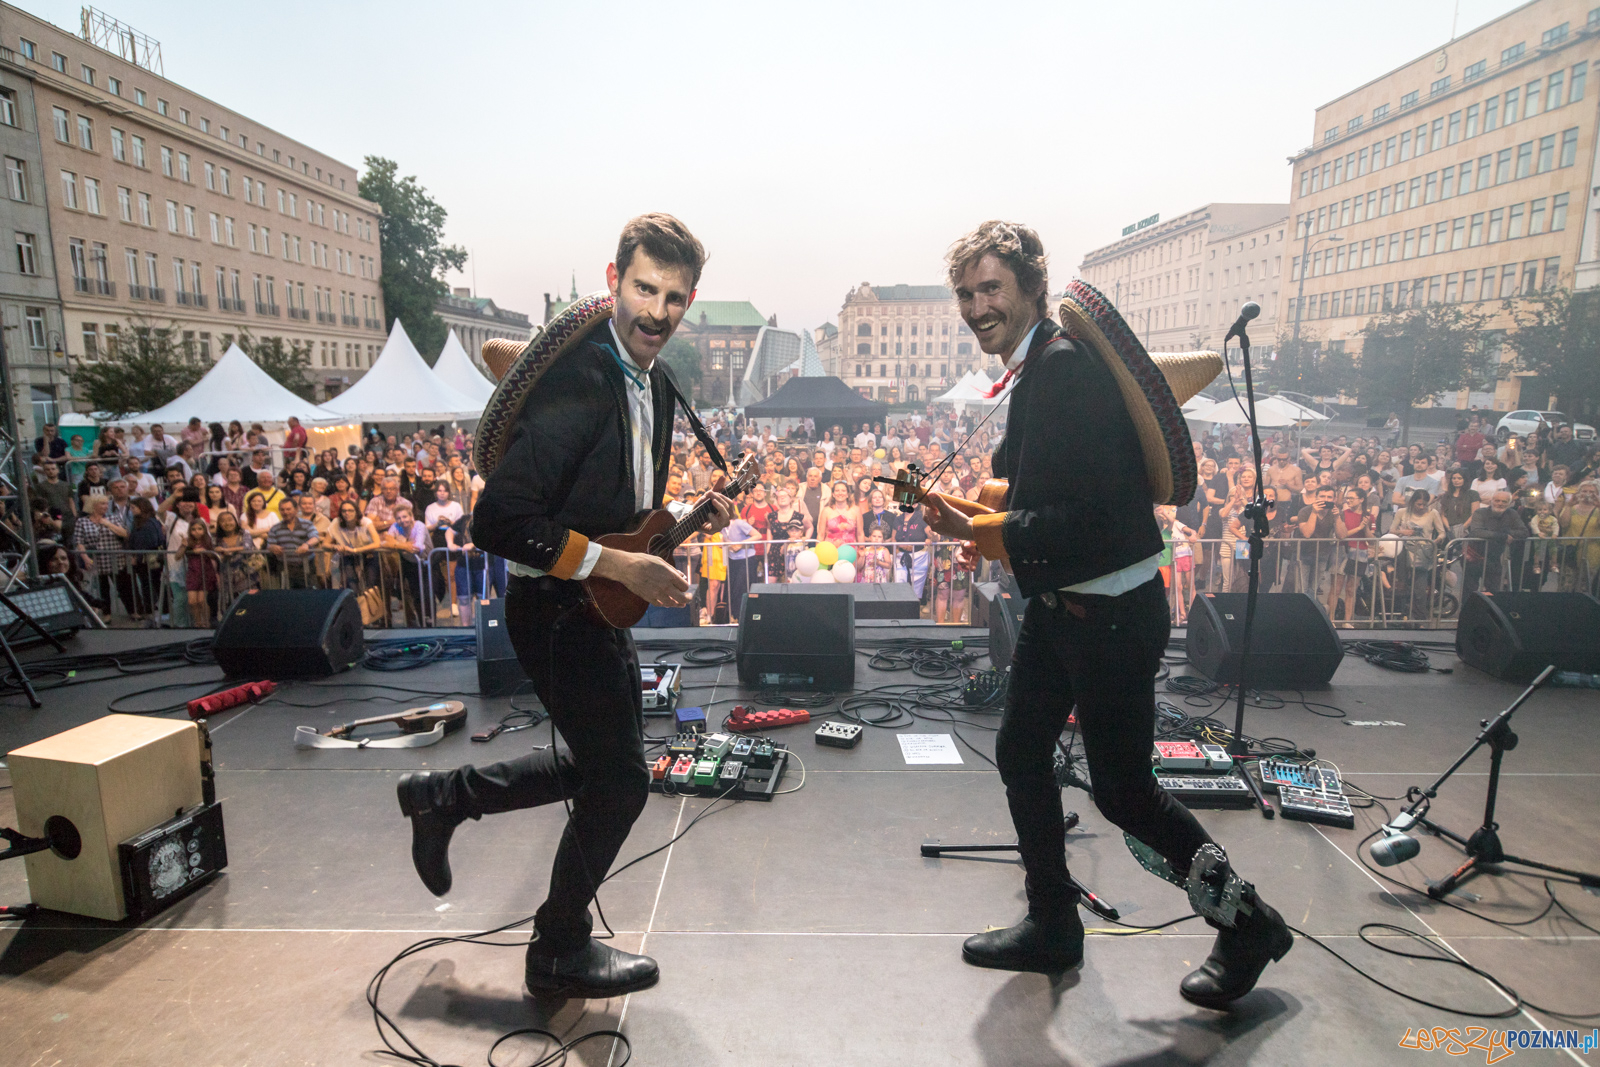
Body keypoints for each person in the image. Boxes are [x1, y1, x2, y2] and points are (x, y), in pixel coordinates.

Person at [921, 221, 1288, 1006]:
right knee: (1022, 751)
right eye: (966, 293)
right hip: (1065, 612)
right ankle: (1053, 923)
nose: (978, 305)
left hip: (1113, 616)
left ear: (1029, 289)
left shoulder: (1063, 371)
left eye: (991, 289)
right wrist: (977, 516)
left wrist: (981, 533)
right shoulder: (1039, 369)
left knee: (1123, 791)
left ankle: (1249, 922)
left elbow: (1089, 519)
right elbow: (1033, 492)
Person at [396, 215, 735, 1001]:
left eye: (674, 298)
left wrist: (683, 519)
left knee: (600, 767)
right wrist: (620, 563)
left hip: (590, 606)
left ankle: (445, 797)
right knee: (620, 781)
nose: (657, 311)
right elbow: (500, 522)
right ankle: (557, 948)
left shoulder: (652, 382)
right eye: (644, 289)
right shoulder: (583, 381)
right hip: (550, 608)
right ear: (613, 278)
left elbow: (616, 511)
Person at [1463, 491, 1529, 594]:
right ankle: (1467, 609)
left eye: (1504, 501)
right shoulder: (1480, 512)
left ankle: (1490, 610)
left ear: (1510, 503)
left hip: (1494, 558)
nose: (1500, 503)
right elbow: (1477, 532)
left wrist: (1504, 532)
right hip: (1474, 556)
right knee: (1469, 590)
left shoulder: (1512, 514)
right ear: (1491, 501)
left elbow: (1524, 532)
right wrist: (1503, 535)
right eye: (1497, 500)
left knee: (1494, 590)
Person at [180, 520, 219, 626]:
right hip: (193, 573)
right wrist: (183, 546)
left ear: (204, 530)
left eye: (199, 529)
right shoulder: (188, 541)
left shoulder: (208, 541)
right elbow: (177, 556)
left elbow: (214, 556)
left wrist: (204, 551)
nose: (196, 532)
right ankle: (198, 623)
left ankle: (206, 622)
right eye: (193, 529)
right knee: (192, 601)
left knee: (202, 601)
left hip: (205, 572)